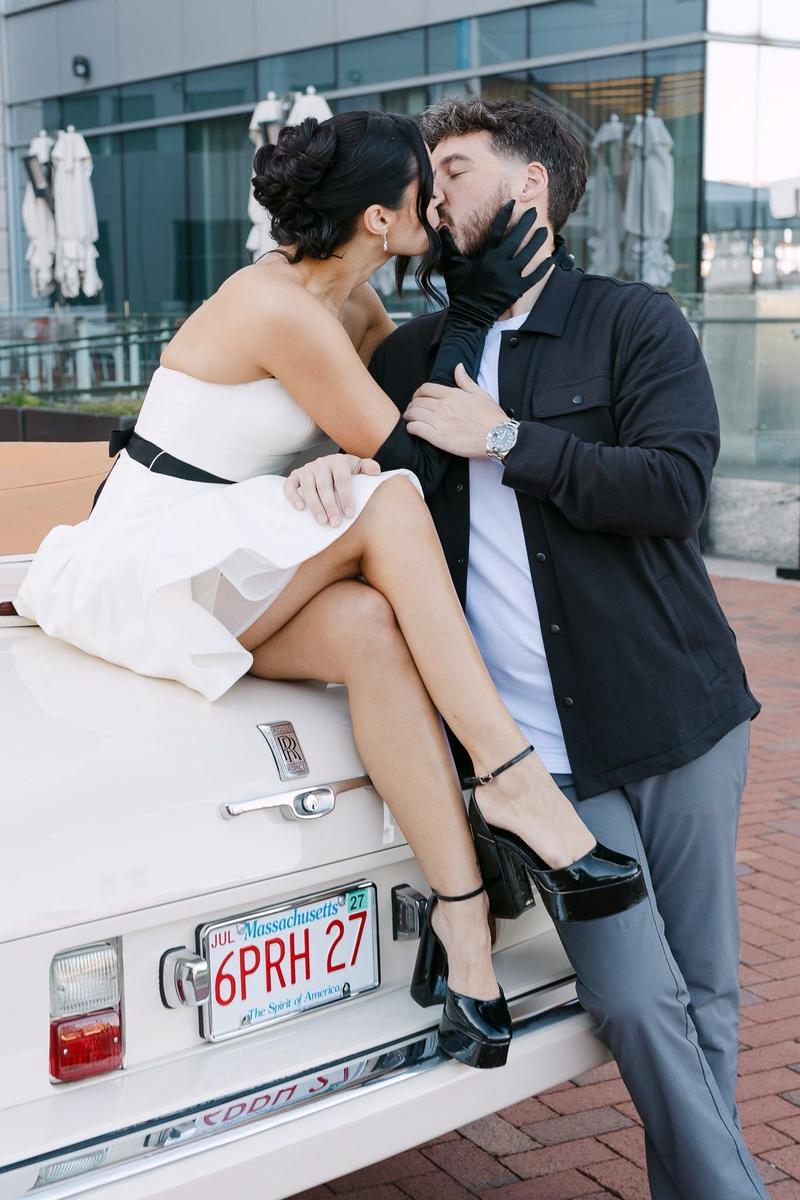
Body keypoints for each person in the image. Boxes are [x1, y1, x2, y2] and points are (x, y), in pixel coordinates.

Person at [14, 110, 644, 1073]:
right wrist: (378, 437)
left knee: (366, 627)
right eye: (423, 189)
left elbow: (420, 403)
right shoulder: (277, 308)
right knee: (388, 507)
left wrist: (455, 324)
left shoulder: (350, 309)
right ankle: (513, 785)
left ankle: (466, 948)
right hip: (150, 562)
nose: (438, 200)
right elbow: (410, 475)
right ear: (382, 221)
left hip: (223, 556)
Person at [287, 96, 766, 1198]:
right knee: (636, 1002)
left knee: (704, 995)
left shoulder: (631, 321)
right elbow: (371, 487)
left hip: (677, 717)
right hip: (532, 761)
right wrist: (319, 474)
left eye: (453, 169)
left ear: (531, 185)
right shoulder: (414, 353)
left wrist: (506, 438)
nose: (431, 194)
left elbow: (673, 486)